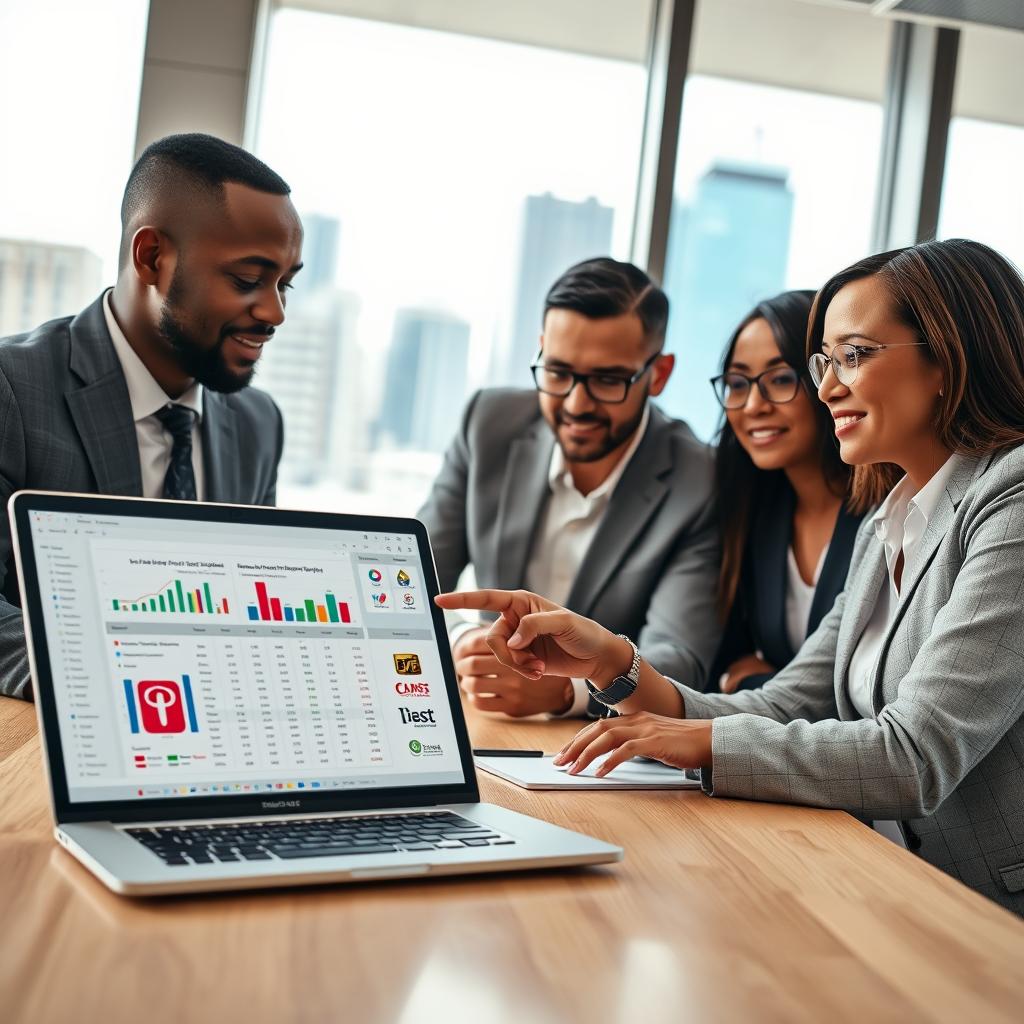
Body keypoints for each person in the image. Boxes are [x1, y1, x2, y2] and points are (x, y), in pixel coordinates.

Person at [437, 238, 1024, 914]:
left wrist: (702, 740)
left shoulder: (1011, 497)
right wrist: (612, 665)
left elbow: (914, 756)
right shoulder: (889, 519)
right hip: (871, 874)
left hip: (981, 907)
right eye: (824, 361)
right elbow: (781, 706)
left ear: (948, 358)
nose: (827, 386)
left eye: (854, 356)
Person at [0, 133, 304, 701]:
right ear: (152, 257)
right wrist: (130, 671)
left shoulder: (259, 424)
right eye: (247, 280)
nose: (274, 312)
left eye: (286, 284)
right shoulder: (12, 390)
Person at [419, 257, 720, 719]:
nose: (577, 405)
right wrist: (466, 645)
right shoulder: (488, 424)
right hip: (483, 719)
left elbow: (682, 657)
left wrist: (572, 691)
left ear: (658, 374)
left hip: (598, 748)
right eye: (558, 373)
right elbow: (409, 581)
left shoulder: (699, 479)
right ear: (541, 349)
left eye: (607, 380)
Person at [708, 290, 865, 693]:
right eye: (737, 383)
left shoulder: (889, 511)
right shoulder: (753, 510)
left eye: (779, 379)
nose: (753, 405)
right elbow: (721, 662)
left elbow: (858, 694)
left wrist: (756, 680)